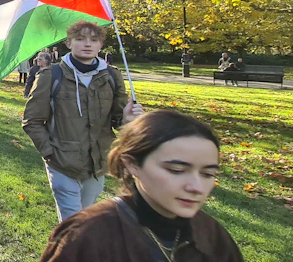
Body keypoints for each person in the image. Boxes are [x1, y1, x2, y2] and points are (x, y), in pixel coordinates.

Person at [40, 111, 243, 261]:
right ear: (132, 164)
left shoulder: (212, 235)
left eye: (207, 174)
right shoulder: (85, 236)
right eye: (176, 170)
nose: (196, 187)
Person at [23, 21, 144, 222]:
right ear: (69, 43)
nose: (87, 44)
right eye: (80, 39)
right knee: (73, 223)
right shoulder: (51, 75)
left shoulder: (111, 76)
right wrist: (50, 152)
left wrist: (128, 120)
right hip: (62, 163)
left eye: (93, 40)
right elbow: (32, 120)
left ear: (100, 45)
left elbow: (119, 120)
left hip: (97, 165)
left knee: (86, 219)